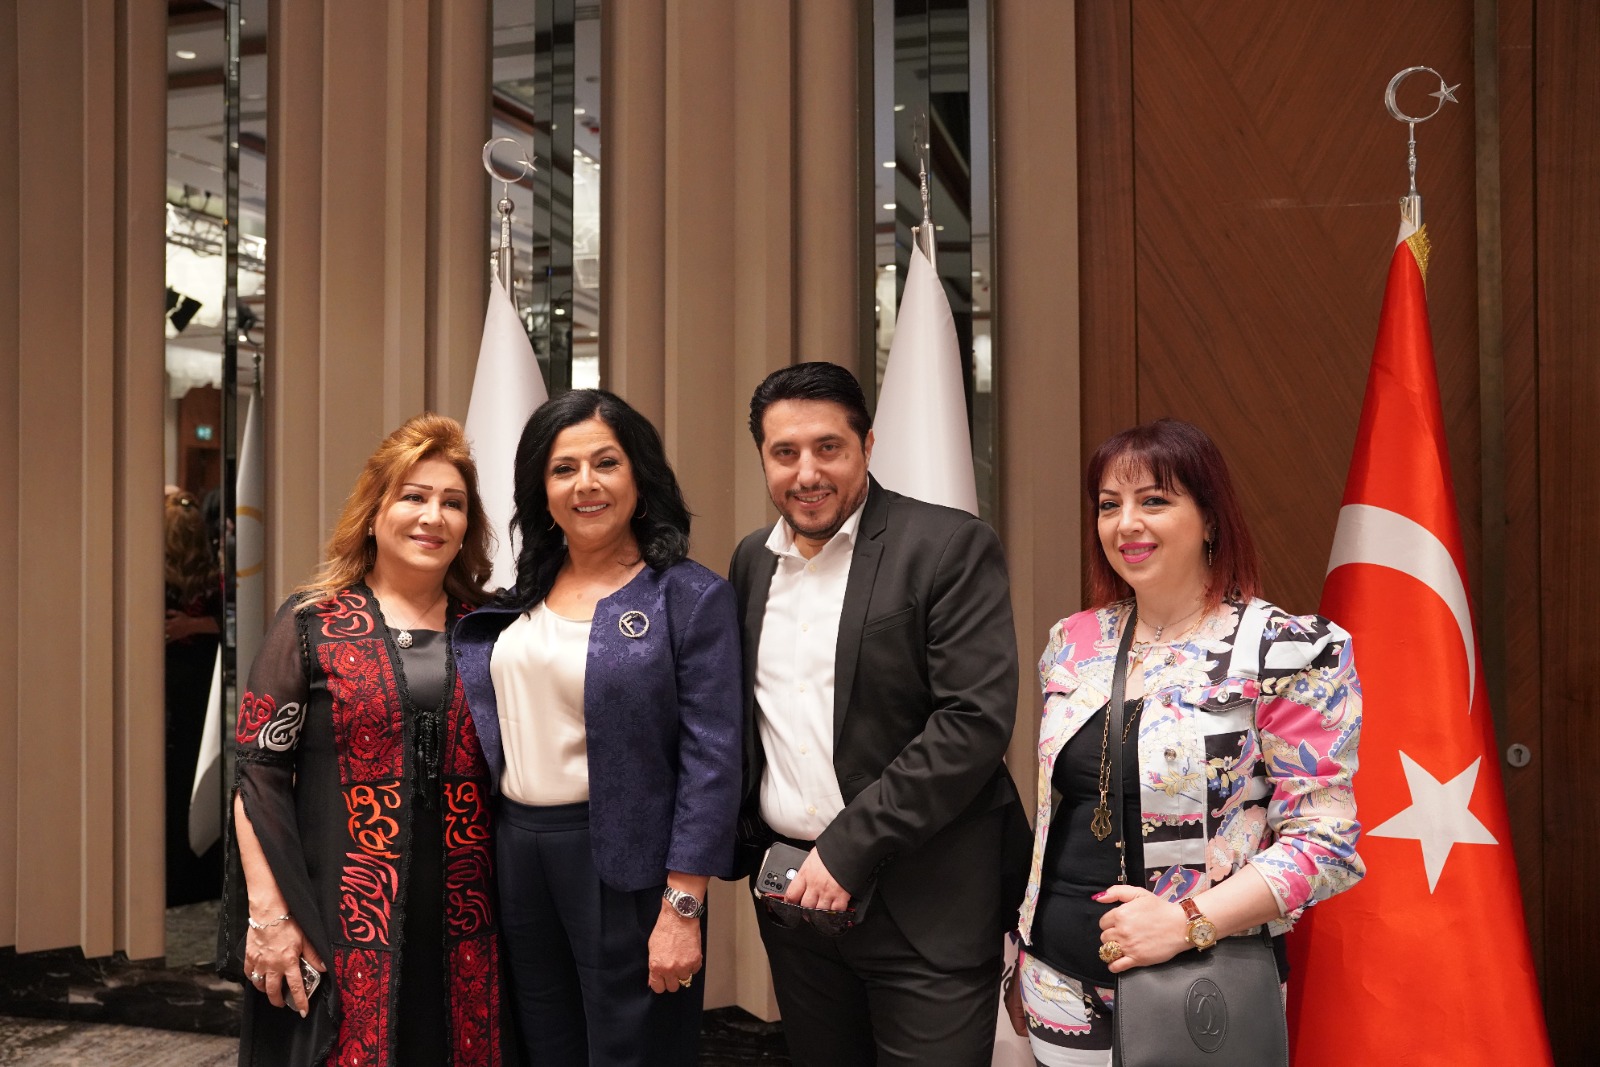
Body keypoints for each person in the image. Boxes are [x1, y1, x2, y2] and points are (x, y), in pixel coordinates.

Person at [1005, 418, 1364, 1066]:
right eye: (1109, 505)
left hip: (1201, 977)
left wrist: (1186, 921)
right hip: (1057, 982)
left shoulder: (1286, 649)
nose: (1126, 523)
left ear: (1210, 519)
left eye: (1154, 500)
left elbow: (1325, 841)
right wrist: (1022, 945)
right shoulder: (1074, 641)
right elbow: (1064, 814)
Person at [729, 361, 1028, 1067]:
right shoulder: (751, 563)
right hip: (796, 906)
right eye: (785, 452)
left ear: (866, 444)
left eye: (828, 447)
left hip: (926, 906)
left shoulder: (947, 546)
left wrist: (847, 848)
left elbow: (972, 721)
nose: (807, 472)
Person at [453, 389, 742, 1067]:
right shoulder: (518, 598)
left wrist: (684, 904)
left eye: (606, 462)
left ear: (639, 477)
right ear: (542, 491)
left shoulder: (687, 596)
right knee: (541, 1044)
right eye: (563, 468)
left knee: (633, 1050)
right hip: (516, 852)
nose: (585, 483)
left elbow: (713, 759)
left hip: (627, 862)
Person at [218, 414, 508, 1067]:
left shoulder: (490, 629)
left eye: (453, 502)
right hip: (333, 917)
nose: (433, 516)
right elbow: (258, 778)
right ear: (374, 513)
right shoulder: (311, 622)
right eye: (414, 496)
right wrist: (268, 915)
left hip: (469, 925)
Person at [163, 488, 224, 906]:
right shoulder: (213, 578)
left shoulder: (156, 577)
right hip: (202, 686)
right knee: (195, 774)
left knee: (174, 778)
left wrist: (189, 626)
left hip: (175, 686)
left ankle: (178, 876)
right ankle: (196, 876)